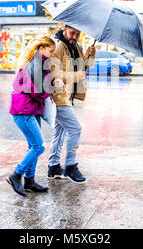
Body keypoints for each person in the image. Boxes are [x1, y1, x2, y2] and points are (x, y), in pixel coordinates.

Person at [7, 36, 63, 197]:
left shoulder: (40, 64)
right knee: (39, 146)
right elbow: (37, 91)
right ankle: (16, 175)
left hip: (32, 109)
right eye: (51, 51)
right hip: (23, 110)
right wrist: (54, 87)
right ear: (41, 49)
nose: (52, 54)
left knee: (33, 146)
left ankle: (29, 181)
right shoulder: (35, 65)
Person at [47, 25, 95, 184]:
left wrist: (90, 56)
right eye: (72, 33)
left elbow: (84, 67)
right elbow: (54, 73)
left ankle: (53, 167)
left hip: (69, 96)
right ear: (64, 29)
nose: (74, 36)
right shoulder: (58, 46)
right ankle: (70, 166)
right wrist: (75, 76)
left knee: (60, 132)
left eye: (78, 34)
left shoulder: (77, 46)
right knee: (75, 129)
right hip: (58, 96)